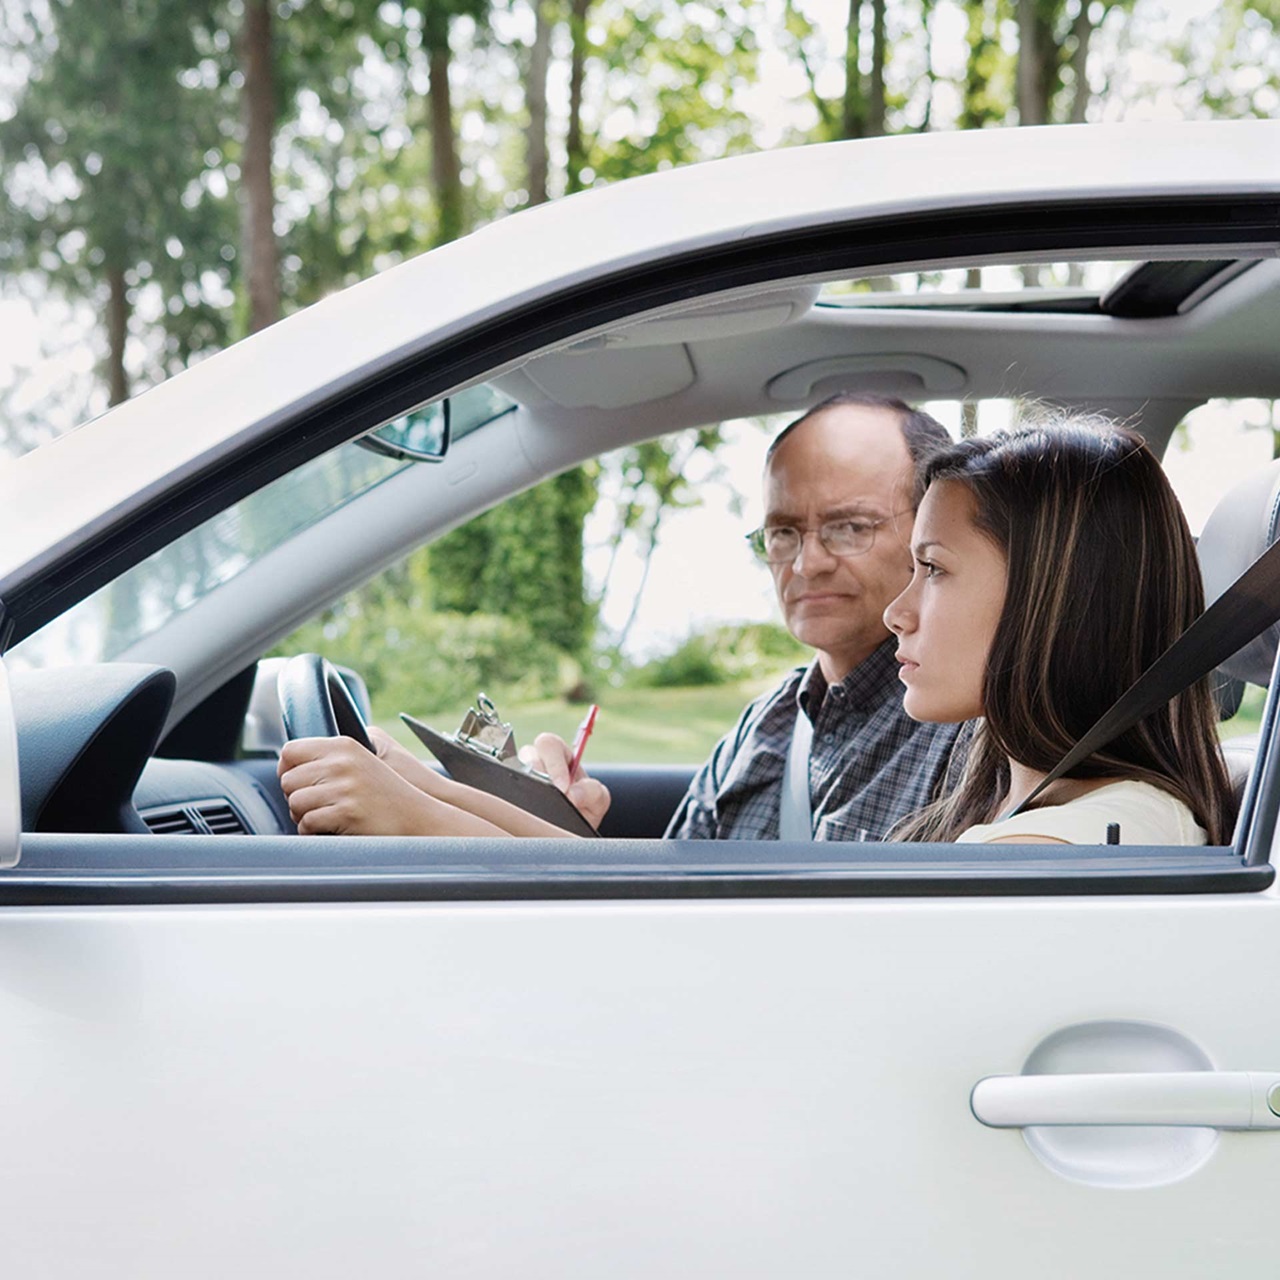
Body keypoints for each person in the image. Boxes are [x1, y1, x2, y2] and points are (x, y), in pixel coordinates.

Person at [277, 394, 966, 839]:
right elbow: (658, 900)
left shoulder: (967, 731)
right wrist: (529, 814)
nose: (806, 562)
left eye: (848, 528)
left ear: (931, 530)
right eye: (782, 533)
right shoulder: (769, 724)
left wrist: (418, 815)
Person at [884, 418, 1234, 845]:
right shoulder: (1015, 811)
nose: (895, 614)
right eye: (915, 569)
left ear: (1058, 597)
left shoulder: (1085, 837)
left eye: (934, 568)